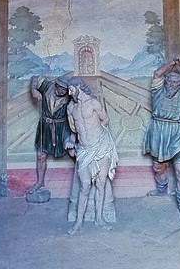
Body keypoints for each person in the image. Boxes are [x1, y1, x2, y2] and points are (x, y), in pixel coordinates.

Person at [143, 57, 180, 219]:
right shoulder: (157, 92)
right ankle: (161, 190)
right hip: (158, 132)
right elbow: (157, 74)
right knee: (159, 167)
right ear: (165, 82)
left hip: (176, 135)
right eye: (169, 82)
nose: (172, 85)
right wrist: (172, 64)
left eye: (176, 83)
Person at [64, 76, 118, 235]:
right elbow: (74, 129)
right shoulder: (70, 108)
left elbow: (105, 120)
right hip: (84, 150)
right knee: (85, 185)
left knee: (101, 183)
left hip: (101, 146)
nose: (69, 92)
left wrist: (96, 137)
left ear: (79, 87)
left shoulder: (94, 103)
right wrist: (72, 140)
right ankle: (78, 222)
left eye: (71, 89)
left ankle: (99, 218)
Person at [26, 75, 72, 196]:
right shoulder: (48, 87)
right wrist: (33, 89)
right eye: (60, 88)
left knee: (73, 152)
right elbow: (35, 78)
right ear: (56, 85)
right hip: (45, 127)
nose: (61, 91)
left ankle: (83, 182)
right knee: (41, 156)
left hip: (62, 128)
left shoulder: (70, 96)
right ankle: (40, 182)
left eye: (64, 89)